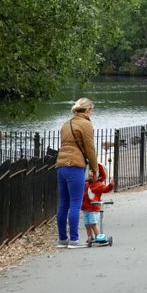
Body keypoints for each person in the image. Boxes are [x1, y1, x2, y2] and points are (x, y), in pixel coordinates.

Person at [56, 97, 99, 249]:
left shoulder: (66, 124)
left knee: (63, 203)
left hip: (61, 166)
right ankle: (74, 240)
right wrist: (95, 169)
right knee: (76, 202)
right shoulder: (86, 124)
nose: (91, 113)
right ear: (87, 110)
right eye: (91, 110)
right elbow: (90, 149)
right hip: (75, 166)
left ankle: (62, 240)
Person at [81, 163, 114, 243]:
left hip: (93, 208)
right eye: (90, 174)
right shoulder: (87, 184)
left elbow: (105, 189)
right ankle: (90, 237)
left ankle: (98, 237)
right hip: (85, 207)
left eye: (93, 174)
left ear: (98, 176)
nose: (91, 175)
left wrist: (111, 185)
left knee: (93, 223)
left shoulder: (99, 185)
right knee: (87, 224)